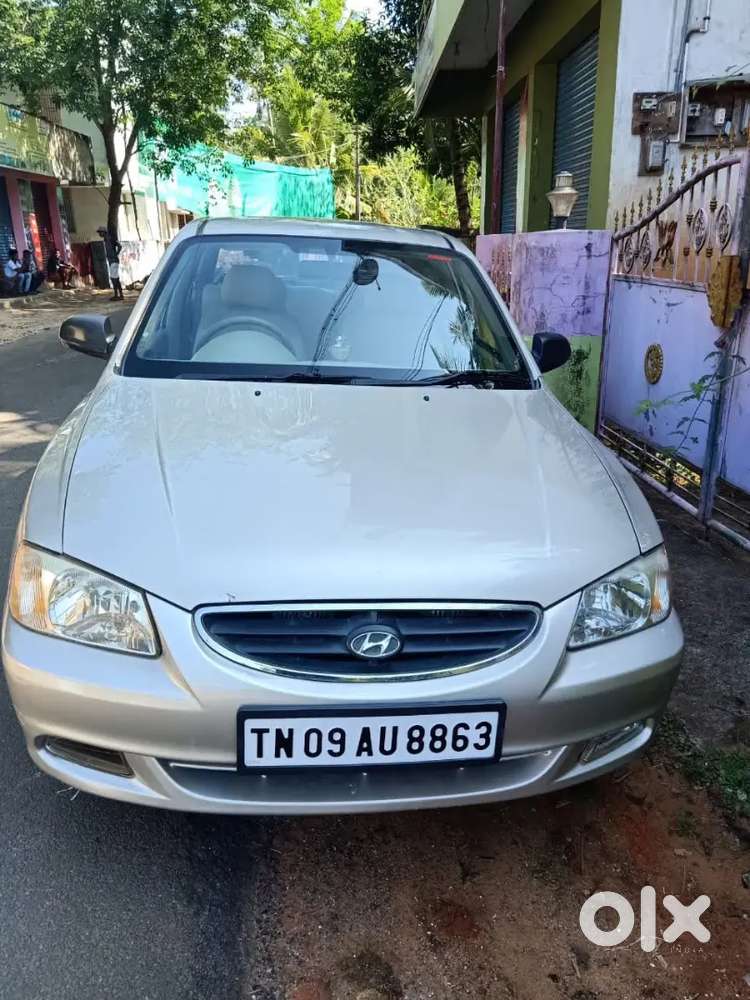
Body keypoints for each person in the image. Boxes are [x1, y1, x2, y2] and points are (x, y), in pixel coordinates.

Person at [97, 226, 124, 301]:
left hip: (114, 260)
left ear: (104, 232)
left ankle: (117, 295)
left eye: (100, 232)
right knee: (115, 278)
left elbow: (119, 246)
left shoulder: (110, 238)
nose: (99, 234)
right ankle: (119, 294)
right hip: (111, 260)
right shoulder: (106, 239)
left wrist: (115, 254)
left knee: (113, 278)